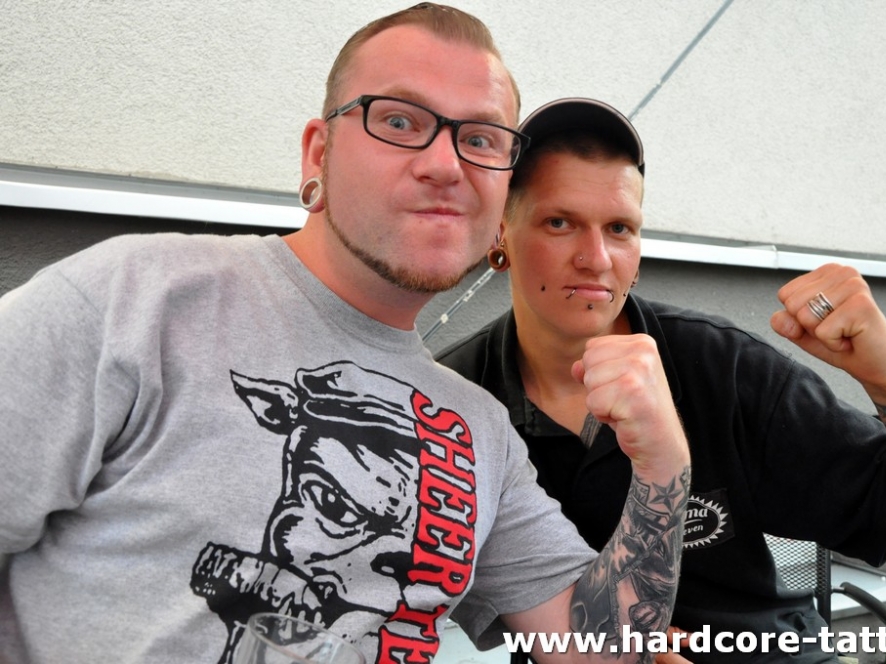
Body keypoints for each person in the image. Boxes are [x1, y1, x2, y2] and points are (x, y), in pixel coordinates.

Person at [0, 7, 691, 664]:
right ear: (318, 154)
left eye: (481, 139)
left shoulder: (480, 431)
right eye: (399, 120)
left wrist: (664, 469)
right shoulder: (133, 302)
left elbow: (600, 647)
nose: (446, 165)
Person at [435, 97, 886, 663]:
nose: (597, 257)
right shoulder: (455, 404)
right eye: (560, 223)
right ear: (501, 232)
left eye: (620, 228)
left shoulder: (720, 363)